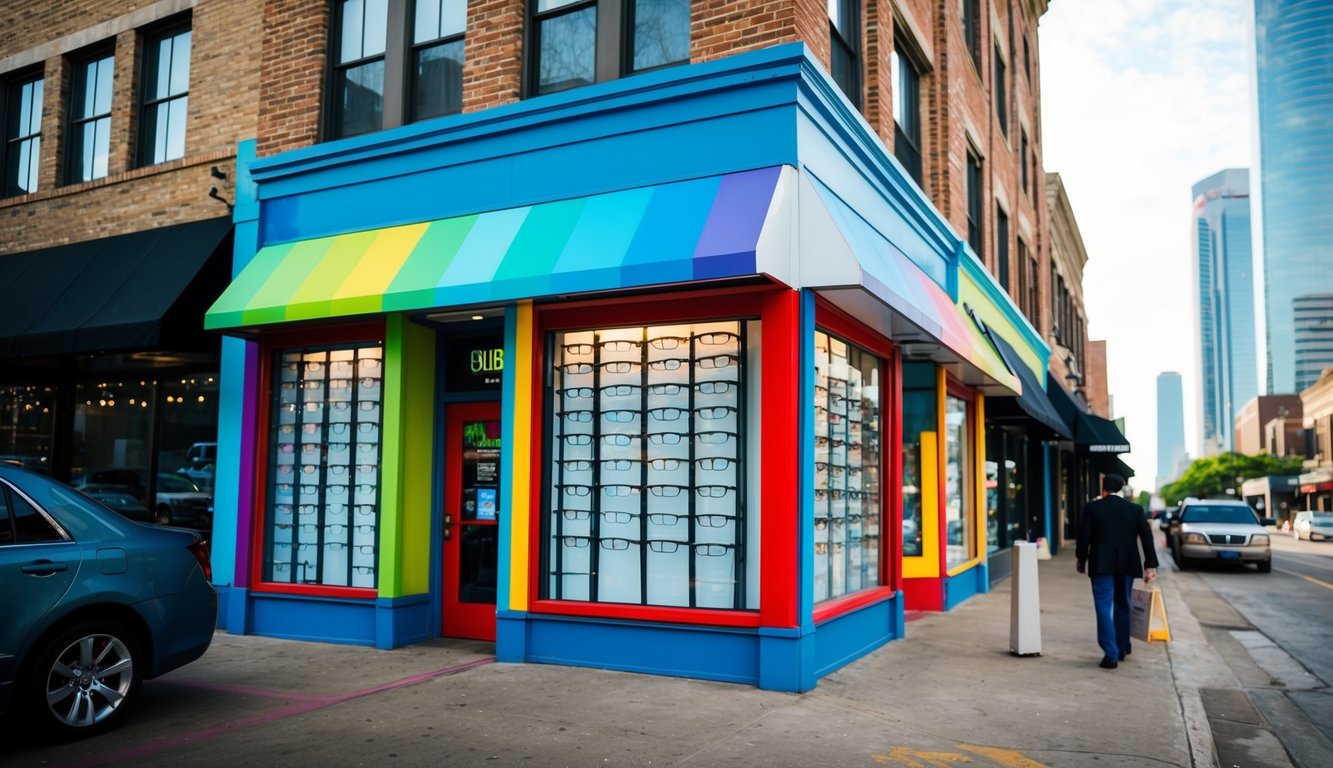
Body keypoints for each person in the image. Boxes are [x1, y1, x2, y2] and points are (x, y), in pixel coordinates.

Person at [1076, 473, 1158, 669]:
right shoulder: (1135, 509)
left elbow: (1084, 536)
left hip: (1101, 564)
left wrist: (1081, 558)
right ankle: (1122, 646)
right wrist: (1150, 564)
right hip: (1127, 563)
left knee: (1104, 606)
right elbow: (1147, 538)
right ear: (1121, 489)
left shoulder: (1093, 508)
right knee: (1123, 604)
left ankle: (1110, 653)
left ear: (1103, 489)